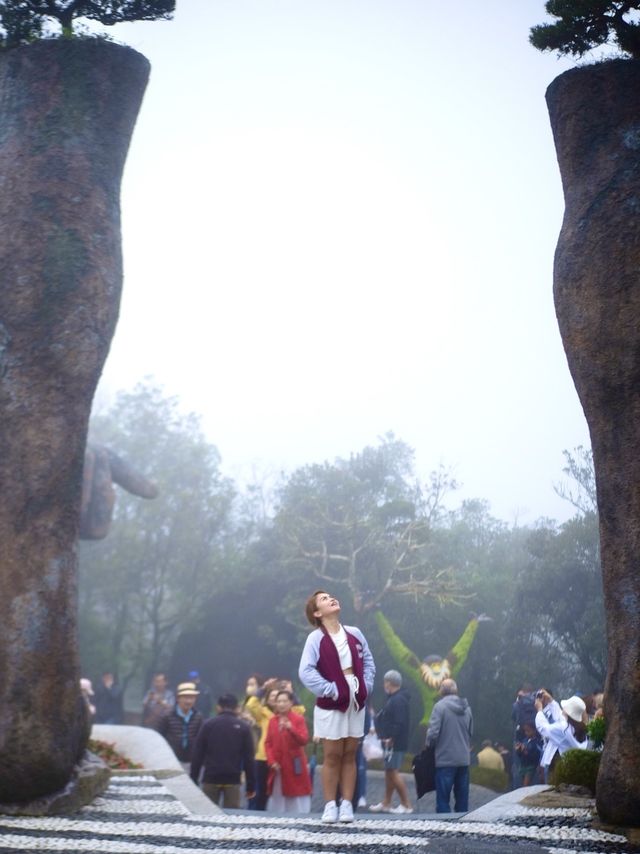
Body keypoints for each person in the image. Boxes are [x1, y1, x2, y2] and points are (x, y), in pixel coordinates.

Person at [298, 589, 375, 824]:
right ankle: (330, 804)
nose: (331, 598)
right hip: (331, 702)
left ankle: (347, 804)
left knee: (350, 754)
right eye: (324, 599)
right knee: (332, 755)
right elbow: (306, 671)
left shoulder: (355, 633)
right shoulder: (315, 638)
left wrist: (367, 685)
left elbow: (369, 661)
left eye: (331, 596)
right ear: (317, 613)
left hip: (356, 698)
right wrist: (330, 689)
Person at [190, 693, 256, 809]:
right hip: (233, 779)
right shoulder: (243, 727)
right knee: (231, 818)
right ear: (236, 708)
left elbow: (197, 754)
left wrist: (193, 778)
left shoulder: (208, 725)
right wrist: (251, 786)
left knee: (208, 815)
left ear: (218, 707)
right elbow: (248, 759)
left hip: (210, 778)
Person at [425, 678, 473, 814]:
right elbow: (470, 731)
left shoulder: (439, 707)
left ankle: (444, 826)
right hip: (463, 759)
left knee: (443, 800)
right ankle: (462, 826)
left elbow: (433, 733)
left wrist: (428, 745)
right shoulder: (467, 708)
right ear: (456, 690)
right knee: (462, 799)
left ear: (441, 691)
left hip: (445, 759)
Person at [369, 670, 413, 814]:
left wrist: (391, 738)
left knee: (393, 772)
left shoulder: (397, 700)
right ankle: (386, 803)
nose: (383, 684)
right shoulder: (393, 698)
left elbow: (399, 723)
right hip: (391, 741)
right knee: (388, 771)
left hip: (394, 743)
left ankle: (406, 805)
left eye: (385, 681)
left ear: (389, 682)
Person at [265, 689, 312, 814]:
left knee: (295, 793)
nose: (281, 704)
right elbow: (268, 743)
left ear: (291, 703)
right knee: (277, 795)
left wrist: (291, 728)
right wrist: (271, 761)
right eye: (279, 701)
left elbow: (304, 740)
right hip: (277, 765)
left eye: (284, 701)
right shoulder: (272, 721)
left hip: (293, 763)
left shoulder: (298, 719)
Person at [158, 682, 204, 772]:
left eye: (191, 698)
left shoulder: (198, 716)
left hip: (191, 761)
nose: (188, 701)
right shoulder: (167, 716)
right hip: (171, 761)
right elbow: (159, 738)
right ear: (178, 698)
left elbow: (200, 739)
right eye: (185, 697)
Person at [535, 693, 588, 766]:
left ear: (568, 712)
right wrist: (551, 701)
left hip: (563, 766)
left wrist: (539, 710)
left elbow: (543, 728)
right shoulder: (577, 727)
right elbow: (560, 717)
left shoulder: (563, 729)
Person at [533, 688, 563, 782]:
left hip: (554, 751)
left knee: (550, 780)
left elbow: (546, 729)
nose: (540, 698)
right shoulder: (545, 710)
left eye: (543, 695)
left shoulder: (551, 710)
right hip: (546, 749)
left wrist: (539, 710)